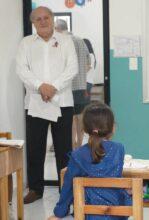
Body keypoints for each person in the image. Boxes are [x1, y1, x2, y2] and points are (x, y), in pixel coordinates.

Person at [16, 6, 78, 204]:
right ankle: (35, 189)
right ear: (33, 23)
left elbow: (72, 68)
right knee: (35, 148)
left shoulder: (66, 40)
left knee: (64, 148)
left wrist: (53, 87)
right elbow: (21, 69)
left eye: (46, 17)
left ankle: (66, 190)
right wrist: (40, 86)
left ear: (52, 19)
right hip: (35, 102)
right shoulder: (26, 43)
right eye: (38, 19)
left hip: (62, 102)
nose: (43, 21)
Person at [47, 102, 131, 220]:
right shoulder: (119, 149)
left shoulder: (78, 155)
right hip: (116, 214)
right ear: (112, 127)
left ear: (85, 129)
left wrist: (59, 212)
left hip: (87, 214)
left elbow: (68, 188)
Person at [55, 19, 91, 149]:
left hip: (67, 87)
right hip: (81, 85)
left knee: (69, 119)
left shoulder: (62, 42)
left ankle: (71, 146)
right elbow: (89, 62)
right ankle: (80, 145)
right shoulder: (80, 40)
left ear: (58, 29)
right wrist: (82, 75)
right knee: (80, 117)